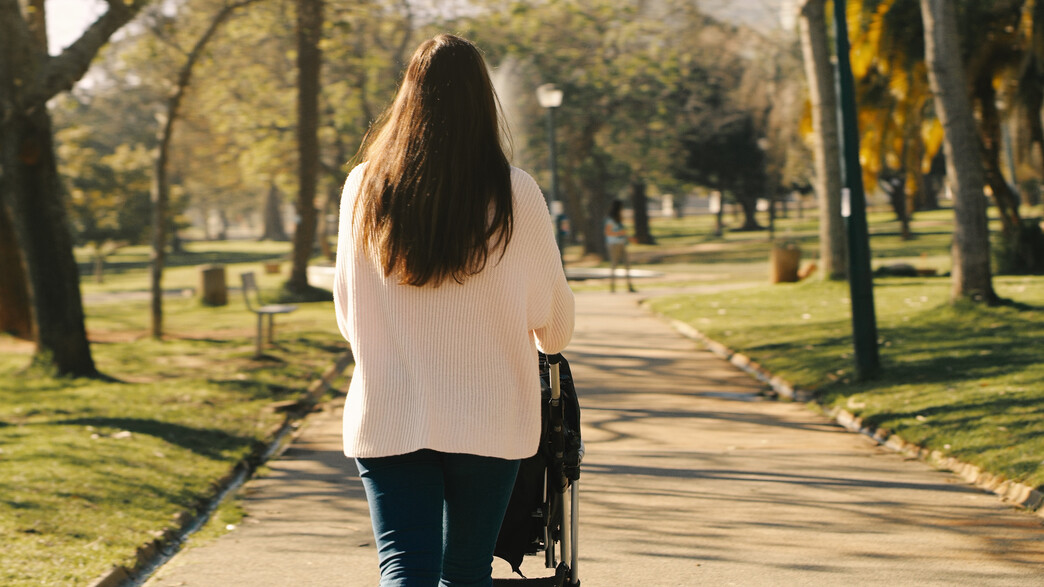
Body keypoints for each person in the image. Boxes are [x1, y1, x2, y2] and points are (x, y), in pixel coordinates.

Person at [332, 33, 574, 587]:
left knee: (404, 570)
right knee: (464, 573)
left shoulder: (364, 190)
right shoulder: (516, 193)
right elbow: (554, 327)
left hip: (389, 410)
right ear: (483, 103)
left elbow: (348, 316)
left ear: (407, 98)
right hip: (490, 417)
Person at [604, 200, 635, 293]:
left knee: (627, 264)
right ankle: (612, 287)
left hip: (621, 243)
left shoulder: (619, 219)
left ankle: (629, 286)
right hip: (613, 244)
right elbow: (608, 232)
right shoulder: (610, 220)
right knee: (614, 264)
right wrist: (619, 233)